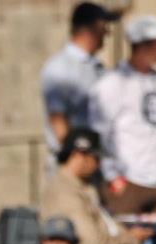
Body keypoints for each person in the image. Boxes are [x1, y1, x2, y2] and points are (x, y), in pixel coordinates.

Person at [89, 15, 156, 215]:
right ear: (144, 45)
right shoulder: (112, 83)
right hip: (129, 183)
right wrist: (112, 176)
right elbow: (99, 133)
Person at [39, 2, 117, 157]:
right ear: (94, 27)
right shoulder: (60, 68)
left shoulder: (98, 68)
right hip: (77, 163)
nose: (107, 32)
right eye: (104, 25)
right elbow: (57, 120)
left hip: (98, 162)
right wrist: (75, 161)